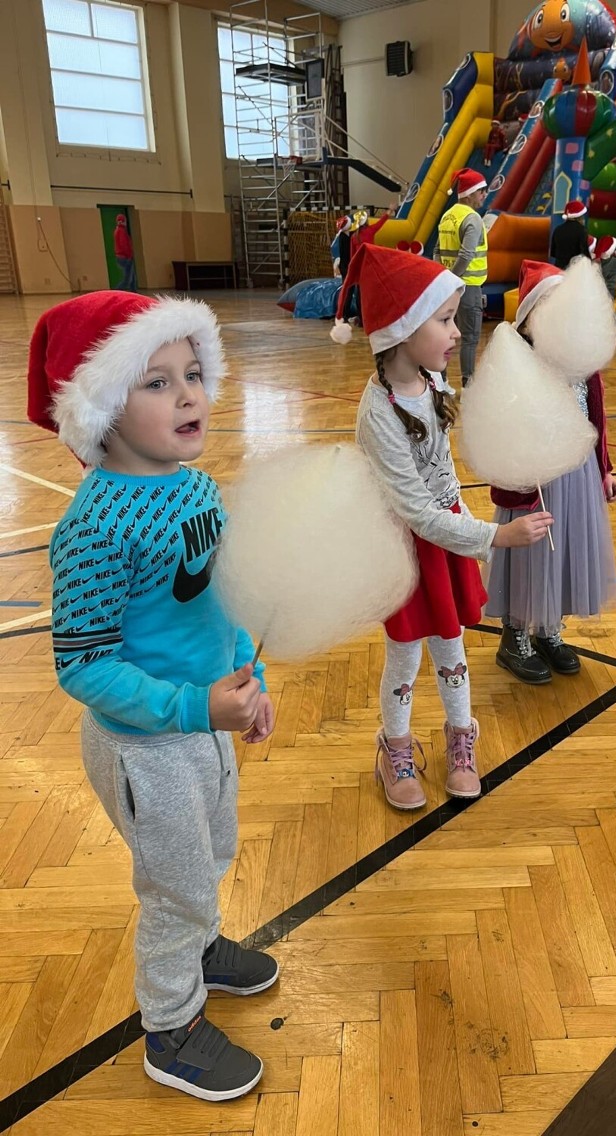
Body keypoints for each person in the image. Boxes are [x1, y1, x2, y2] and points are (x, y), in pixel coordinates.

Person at [27, 291, 277, 1101]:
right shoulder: (96, 527)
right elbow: (83, 664)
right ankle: (170, 1026)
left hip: (203, 723)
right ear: (102, 408)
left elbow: (227, 597)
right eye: (158, 382)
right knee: (174, 883)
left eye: (194, 374)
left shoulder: (196, 488)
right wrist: (196, 708)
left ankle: (200, 947)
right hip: (145, 745)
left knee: (209, 855)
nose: (190, 395)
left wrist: (251, 681)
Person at [332, 245, 552, 808]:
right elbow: (415, 512)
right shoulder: (378, 412)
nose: (458, 332)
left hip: (444, 535)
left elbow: (444, 476)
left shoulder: (435, 383)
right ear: (403, 330)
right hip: (406, 550)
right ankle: (396, 747)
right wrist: (493, 538)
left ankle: (461, 740)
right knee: (405, 655)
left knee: (452, 648)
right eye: (445, 319)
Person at [484, 261, 616, 682]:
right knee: (531, 554)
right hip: (535, 478)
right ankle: (515, 634)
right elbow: (501, 425)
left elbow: (596, 418)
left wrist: (604, 470)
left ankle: (548, 627)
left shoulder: (583, 364)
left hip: (576, 475)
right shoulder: (518, 364)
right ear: (530, 319)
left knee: (565, 551)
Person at [435, 168, 489, 387]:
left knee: (446, 336)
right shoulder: (472, 219)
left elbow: (437, 251)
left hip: (449, 289)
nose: (484, 195)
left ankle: (443, 383)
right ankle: (468, 385)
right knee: (469, 338)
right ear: (469, 194)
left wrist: (445, 277)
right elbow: (466, 255)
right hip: (468, 287)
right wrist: (454, 278)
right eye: (481, 191)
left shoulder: (447, 217)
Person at [550, 199, 591, 269]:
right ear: (580, 216)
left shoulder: (557, 229)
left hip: (558, 269)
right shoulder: (581, 230)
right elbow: (584, 252)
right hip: (574, 270)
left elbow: (553, 253)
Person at [113, 213, 137, 292]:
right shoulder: (122, 231)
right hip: (125, 257)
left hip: (121, 256)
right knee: (127, 280)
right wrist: (129, 255)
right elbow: (124, 245)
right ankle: (116, 292)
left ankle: (134, 292)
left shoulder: (117, 230)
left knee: (132, 277)